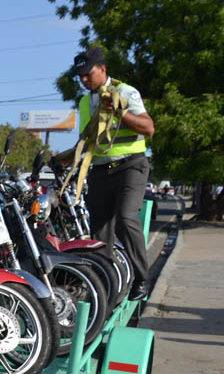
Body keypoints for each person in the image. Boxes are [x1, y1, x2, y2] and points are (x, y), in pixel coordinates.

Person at [72, 46, 155, 300]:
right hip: (100, 171)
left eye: (89, 74)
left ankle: (142, 278)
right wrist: (65, 159)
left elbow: (148, 128)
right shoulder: (86, 102)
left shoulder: (125, 92)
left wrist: (121, 111)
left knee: (125, 219)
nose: (85, 80)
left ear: (103, 69)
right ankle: (103, 285)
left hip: (130, 166)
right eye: (81, 77)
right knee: (99, 232)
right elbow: (87, 139)